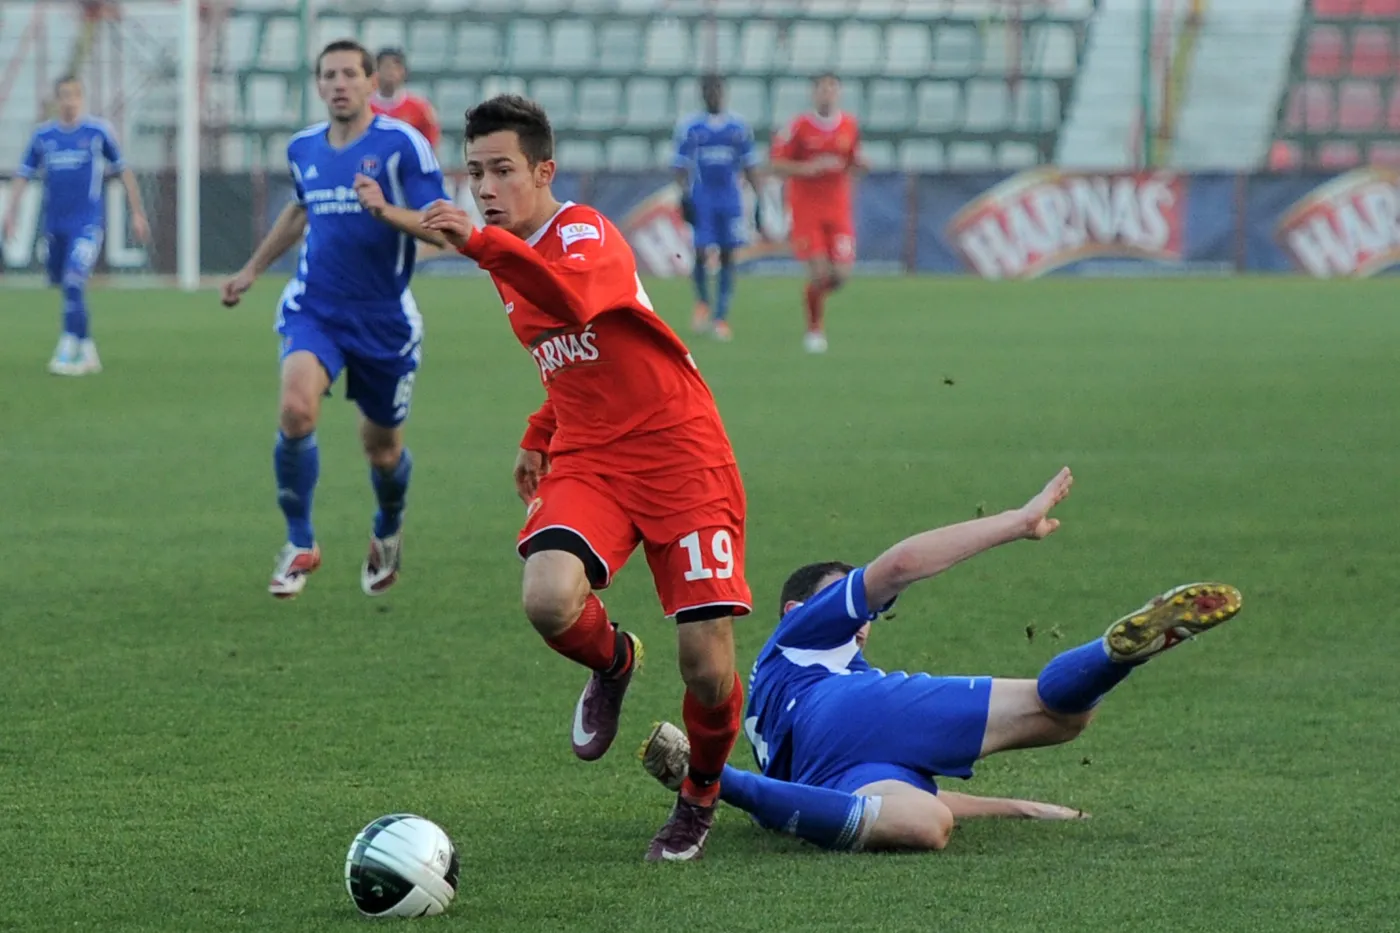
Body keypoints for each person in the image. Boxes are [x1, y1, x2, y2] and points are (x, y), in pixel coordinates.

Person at [421, 95, 750, 862]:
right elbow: (573, 357)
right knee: (546, 597)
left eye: (502, 170)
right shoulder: (506, 251)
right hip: (593, 453)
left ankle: (699, 795)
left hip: (682, 452)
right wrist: (539, 432)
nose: (486, 187)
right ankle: (615, 659)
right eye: (475, 172)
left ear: (544, 171)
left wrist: (478, 245)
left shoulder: (584, 233)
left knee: (706, 666)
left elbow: (570, 299)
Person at [640, 467, 1244, 853]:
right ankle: (1115, 656)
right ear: (797, 607)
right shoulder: (800, 635)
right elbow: (900, 565)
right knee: (1063, 713)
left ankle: (714, 778)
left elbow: (852, 801)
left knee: (923, 823)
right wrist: (1013, 523)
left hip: (822, 775)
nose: (866, 618)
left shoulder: (775, 700)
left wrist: (1019, 808)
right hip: (844, 721)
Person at [219, 39, 447, 599]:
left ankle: (387, 527)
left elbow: (443, 227)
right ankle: (301, 541)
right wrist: (251, 270)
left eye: (350, 73)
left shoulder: (403, 146)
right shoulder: (304, 148)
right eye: (329, 75)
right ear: (318, 85)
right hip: (314, 307)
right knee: (296, 411)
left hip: (384, 320)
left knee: (383, 450)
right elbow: (300, 209)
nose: (339, 83)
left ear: (373, 83)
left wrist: (384, 210)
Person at [2, 75, 149, 375]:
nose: (69, 102)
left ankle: (68, 348)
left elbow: (124, 171)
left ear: (81, 99)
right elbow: (23, 176)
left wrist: (137, 213)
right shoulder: (43, 137)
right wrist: (11, 214)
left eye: (74, 96)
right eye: (64, 96)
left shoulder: (97, 132)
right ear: (57, 100)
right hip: (55, 226)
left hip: (87, 223)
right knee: (62, 283)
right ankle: (87, 348)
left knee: (73, 280)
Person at [770, 73, 865, 354]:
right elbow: (776, 164)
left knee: (841, 276)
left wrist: (860, 166)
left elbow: (852, 162)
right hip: (807, 211)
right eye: (822, 90)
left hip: (838, 212)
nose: (827, 95)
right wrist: (806, 169)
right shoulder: (798, 127)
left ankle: (810, 296)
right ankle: (814, 329)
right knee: (820, 271)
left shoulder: (849, 125)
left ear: (839, 93)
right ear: (814, 94)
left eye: (832, 89)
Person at [672, 74, 762, 342]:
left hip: (729, 198)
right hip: (703, 197)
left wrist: (759, 201)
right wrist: (683, 197)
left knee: (728, 255)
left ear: (725, 92)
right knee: (701, 252)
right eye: (708, 90)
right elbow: (680, 166)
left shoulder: (738, 127)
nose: (713, 94)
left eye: (717, 89)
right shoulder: (690, 127)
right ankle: (702, 301)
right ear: (702, 93)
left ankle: (721, 317)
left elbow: (750, 165)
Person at [369, 48, 441, 151]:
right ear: (376, 71)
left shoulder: (419, 107)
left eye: (396, 68)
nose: (391, 72)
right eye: (386, 67)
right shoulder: (364, 106)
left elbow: (430, 142)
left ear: (404, 72)